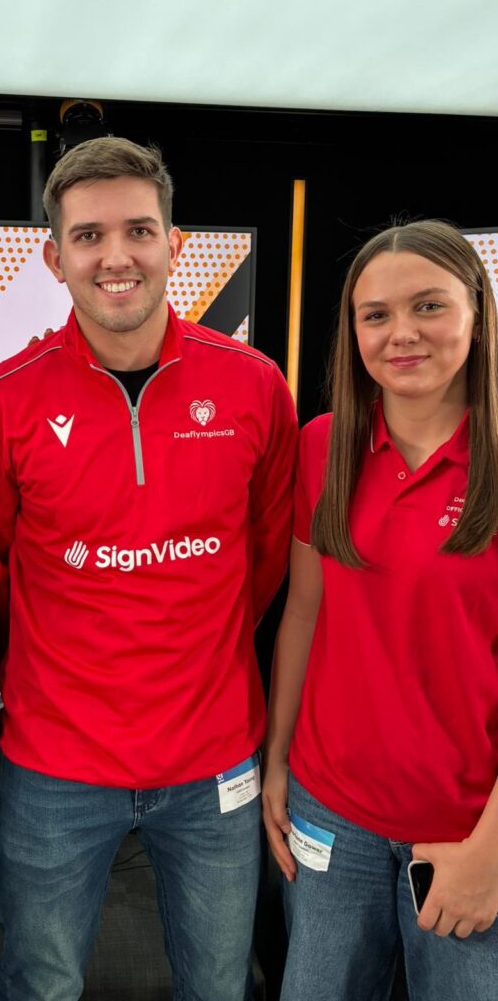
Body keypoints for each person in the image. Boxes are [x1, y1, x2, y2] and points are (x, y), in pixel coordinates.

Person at [0, 136, 298, 1000]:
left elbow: (261, 564)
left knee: (218, 985)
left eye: (140, 230)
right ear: (54, 255)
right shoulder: (2, 402)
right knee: (39, 984)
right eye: (89, 236)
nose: (117, 256)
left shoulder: (257, 388)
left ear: (175, 243)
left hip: (216, 760)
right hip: (53, 769)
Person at [262, 220, 498, 1001]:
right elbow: (304, 613)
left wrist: (490, 850)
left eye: (428, 306)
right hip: (333, 814)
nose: (402, 334)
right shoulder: (323, 446)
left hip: (468, 829)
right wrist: (279, 760)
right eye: (376, 314)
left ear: (476, 310)